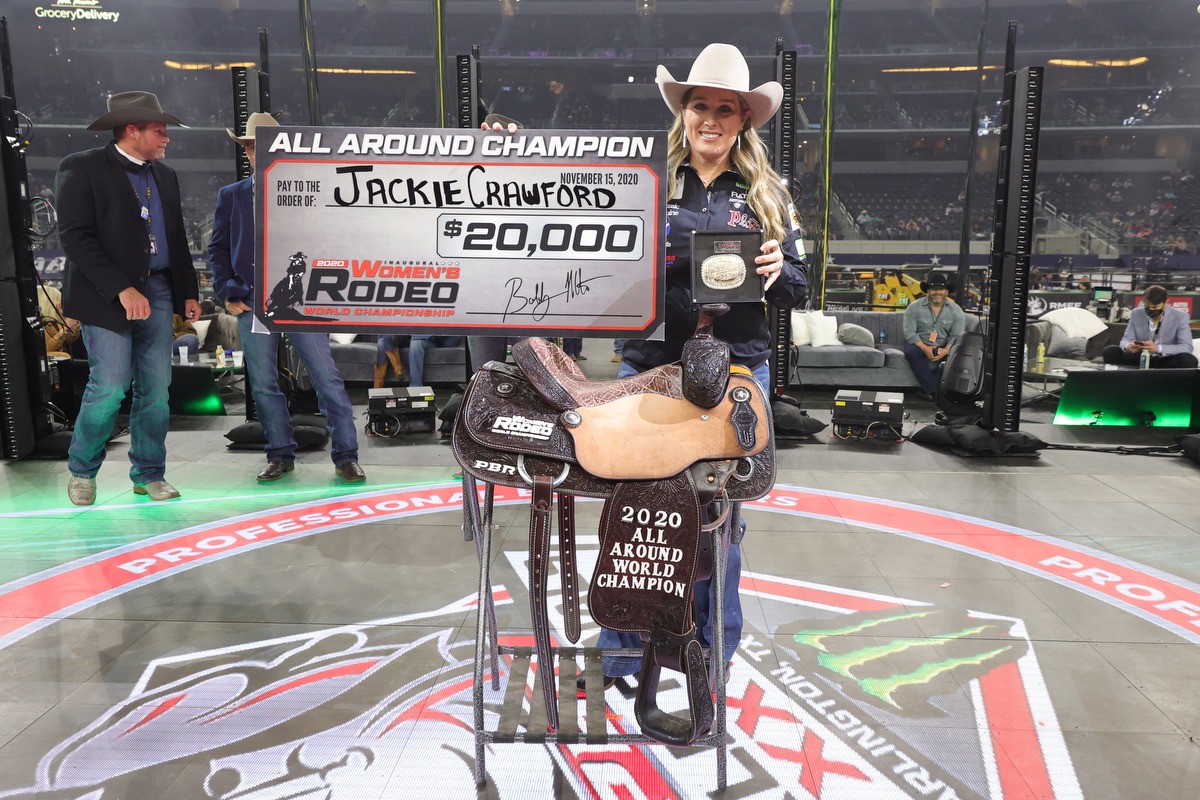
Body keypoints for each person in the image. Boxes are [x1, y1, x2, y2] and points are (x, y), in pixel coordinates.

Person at [598, 43, 808, 687]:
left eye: (725, 108)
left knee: (721, 522)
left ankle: (712, 655)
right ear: (683, 113)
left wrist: (777, 273)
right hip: (652, 368)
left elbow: (800, 288)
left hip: (738, 374)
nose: (711, 118)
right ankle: (626, 650)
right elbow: (603, 277)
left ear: (743, 119)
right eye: (700, 106)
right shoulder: (645, 182)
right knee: (636, 514)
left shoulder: (769, 195)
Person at [57, 91, 202, 506]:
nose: (167, 138)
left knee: (156, 388)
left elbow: (176, 237)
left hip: (156, 289)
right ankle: (82, 470)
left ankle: (149, 474)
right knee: (110, 384)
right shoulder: (81, 168)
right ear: (131, 130)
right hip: (105, 294)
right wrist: (122, 288)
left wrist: (187, 291)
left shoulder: (165, 175)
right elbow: (76, 238)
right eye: (160, 131)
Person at [208, 112, 366, 483]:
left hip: (301, 301)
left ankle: (347, 455)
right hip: (252, 303)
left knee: (326, 378)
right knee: (263, 383)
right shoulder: (230, 196)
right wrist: (228, 291)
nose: (251, 151)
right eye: (247, 145)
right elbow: (217, 250)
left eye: (257, 144)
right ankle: (280, 453)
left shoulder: (310, 191)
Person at [902, 271, 966, 401]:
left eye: (941, 289)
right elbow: (909, 333)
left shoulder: (956, 310)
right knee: (911, 353)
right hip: (919, 343)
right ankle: (937, 394)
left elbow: (956, 335)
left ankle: (925, 388)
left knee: (957, 355)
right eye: (934, 289)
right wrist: (925, 348)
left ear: (946, 292)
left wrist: (946, 350)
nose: (938, 292)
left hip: (944, 344)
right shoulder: (914, 307)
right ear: (928, 291)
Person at [1102, 285, 1198, 368]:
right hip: (1141, 357)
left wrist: (1158, 348)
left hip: (1164, 359)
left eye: (1155, 307)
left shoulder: (1180, 317)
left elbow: (1187, 347)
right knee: (1110, 351)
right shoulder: (1137, 313)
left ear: (1165, 303)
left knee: (1188, 360)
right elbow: (1125, 340)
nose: (1151, 309)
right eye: (1147, 306)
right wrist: (1128, 346)